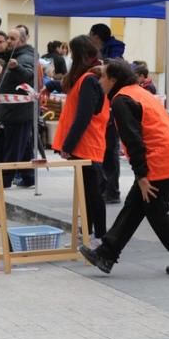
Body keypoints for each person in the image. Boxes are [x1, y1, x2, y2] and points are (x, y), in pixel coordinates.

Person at [79, 59, 169, 276]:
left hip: (159, 158)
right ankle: (106, 254)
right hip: (163, 154)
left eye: (102, 76)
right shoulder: (135, 91)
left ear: (113, 79)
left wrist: (142, 176)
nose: (99, 81)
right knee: (135, 207)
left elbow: (133, 140)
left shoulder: (122, 100)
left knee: (155, 212)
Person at [52, 35, 109, 243]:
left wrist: (68, 144)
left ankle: (100, 235)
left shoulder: (89, 80)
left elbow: (84, 116)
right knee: (88, 192)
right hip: (87, 143)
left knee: (92, 193)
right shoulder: (87, 79)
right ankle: (90, 231)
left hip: (87, 144)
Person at [0, 28, 38, 187]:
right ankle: (28, 177)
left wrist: (16, 67)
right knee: (22, 146)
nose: (9, 41)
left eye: (12, 38)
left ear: (22, 40)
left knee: (12, 148)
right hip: (13, 111)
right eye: (9, 38)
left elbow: (27, 75)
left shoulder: (24, 57)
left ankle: (3, 181)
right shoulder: (14, 56)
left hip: (17, 111)